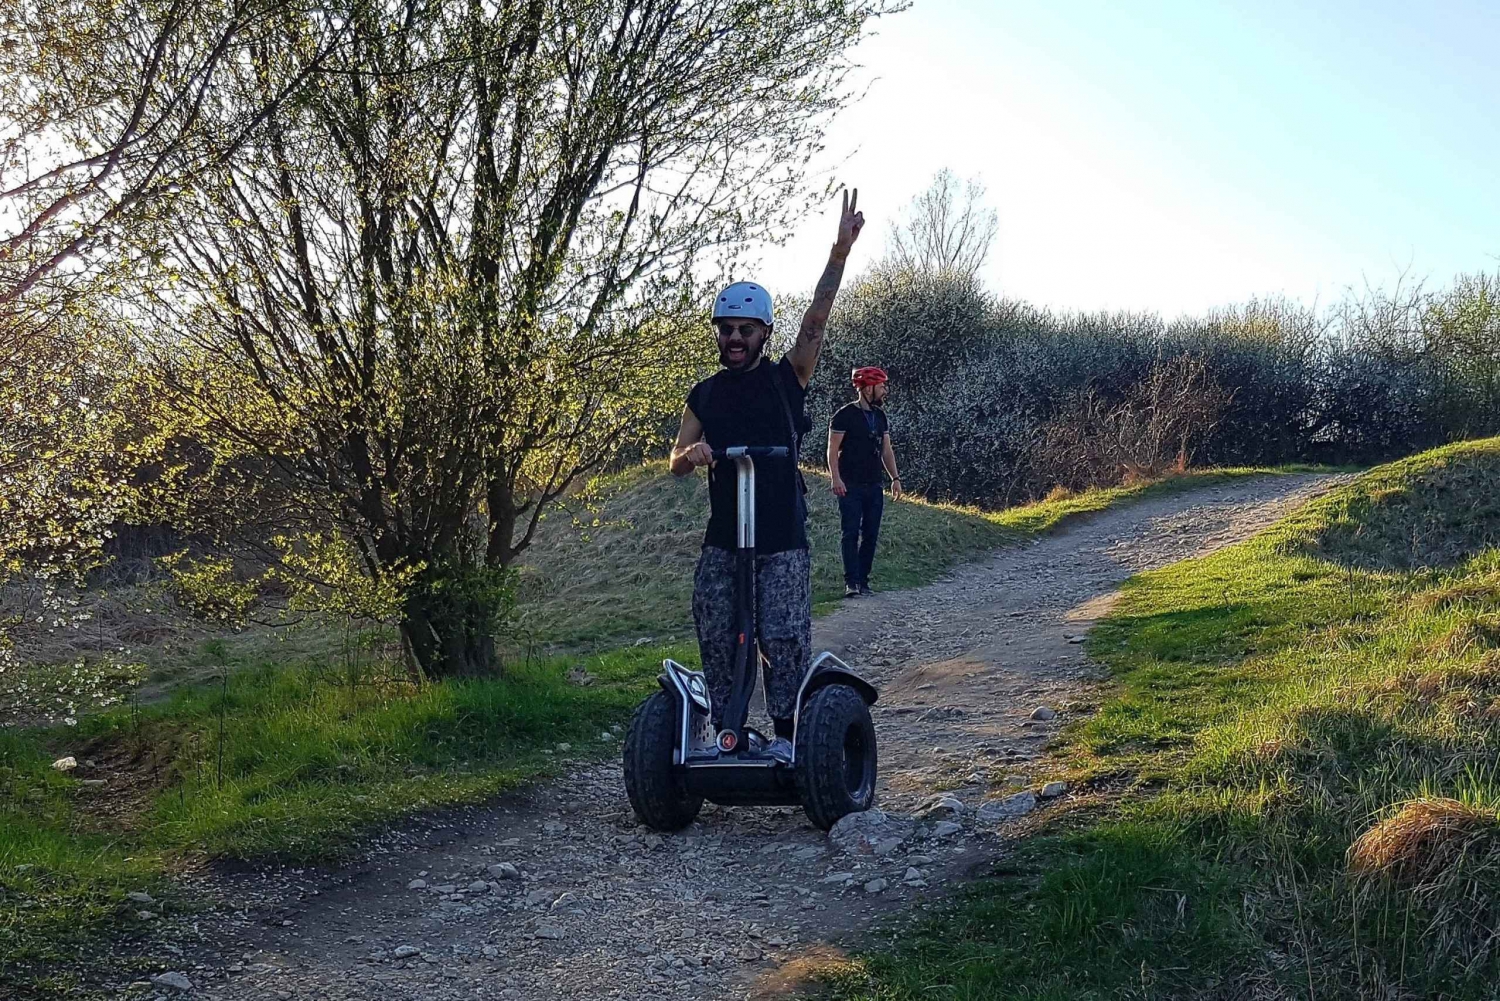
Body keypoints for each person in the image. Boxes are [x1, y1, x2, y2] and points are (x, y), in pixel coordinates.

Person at [669, 189, 866, 762]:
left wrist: (838, 255)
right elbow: (675, 461)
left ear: (763, 334)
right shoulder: (704, 394)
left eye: (745, 330)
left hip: (780, 534)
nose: (734, 339)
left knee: (781, 637)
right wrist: (695, 455)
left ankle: (786, 736)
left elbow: (817, 320)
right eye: (726, 329)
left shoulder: (787, 379)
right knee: (717, 631)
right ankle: (726, 731)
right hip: (725, 538)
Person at [828, 367, 902, 597]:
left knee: (871, 533)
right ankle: (851, 582)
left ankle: (864, 580)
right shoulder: (844, 415)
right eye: (881, 387)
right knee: (850, 532)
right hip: (850, 485)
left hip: (874, 484)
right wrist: (835, 478)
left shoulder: (880, 417)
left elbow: (886, 450)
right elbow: (832, 450)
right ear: (868, 388)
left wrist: (895, 478)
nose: (885, 391)